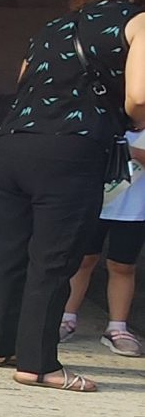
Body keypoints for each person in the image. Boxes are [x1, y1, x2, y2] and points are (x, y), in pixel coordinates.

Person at [0, 0, 145, 390]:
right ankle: (38, 365)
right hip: (72, 148)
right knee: (54, 258)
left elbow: (22, 81)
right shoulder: (138, 22)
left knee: (8, 252)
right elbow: (140, 93)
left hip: (12, 141)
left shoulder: (53, 26)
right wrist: (134, 122)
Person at [61, 127, 144, 356]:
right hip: (94, 201)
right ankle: (66, 317)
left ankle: (117, 328)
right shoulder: (106, 118)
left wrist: (132, 152)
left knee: (122, 266)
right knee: (82, 260)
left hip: (134, 209)